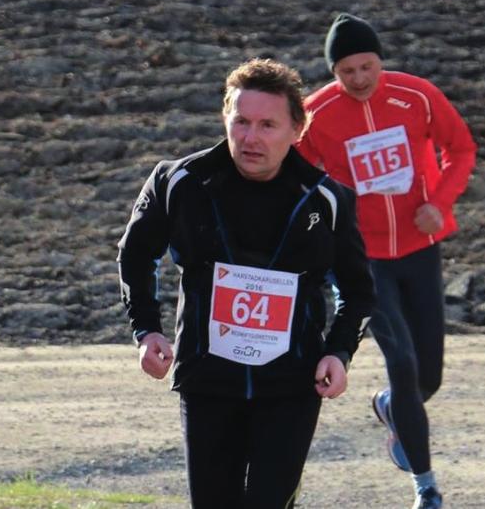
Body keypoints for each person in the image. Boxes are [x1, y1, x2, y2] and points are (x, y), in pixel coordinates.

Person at [116, 58, 374, 509]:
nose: (251, 137)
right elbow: (135, 255)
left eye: (268, 125)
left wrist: (338, 351)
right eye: (241, 121)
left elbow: (358, 290)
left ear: (298, 129)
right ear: (225, 119)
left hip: (291, 386)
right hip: (208, 380)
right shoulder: (178, 182)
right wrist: (146, 330)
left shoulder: (327, 199)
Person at [298, 13, 477, 509]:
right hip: (363, 259)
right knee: (400, 361)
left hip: (420, 248)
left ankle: (389, 407)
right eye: (346, 71)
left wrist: (438, 203)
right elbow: (297, 177)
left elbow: (460, 149)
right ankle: (427, 488)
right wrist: (325, 228)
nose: (358, 79)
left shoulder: (416, 95)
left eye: (366, 66)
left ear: (380, 60)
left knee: (428, 378)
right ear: (334, 71)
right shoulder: (316, 113)